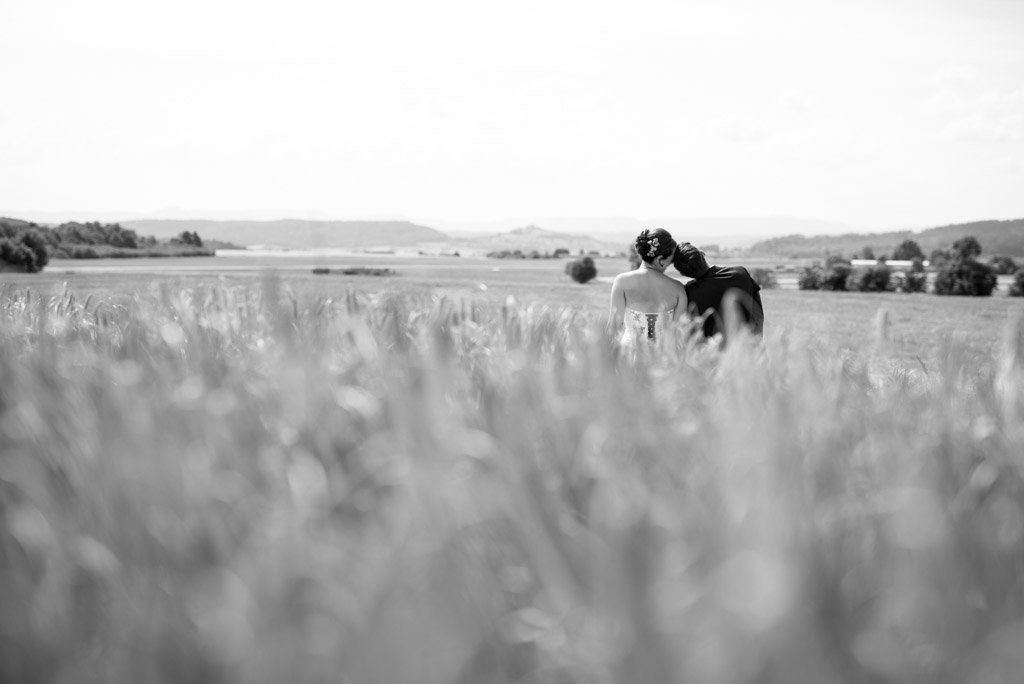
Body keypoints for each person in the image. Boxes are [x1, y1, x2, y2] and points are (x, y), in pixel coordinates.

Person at [609, 229, 688, 346]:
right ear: (660, 260)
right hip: (661, 358)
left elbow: (613, 328)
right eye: (670, 261)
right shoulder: (678, 289)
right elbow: (677, 335)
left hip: (628, 355)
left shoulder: (622, 281)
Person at [672, 242, 764, 340]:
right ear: (703, 254)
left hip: (712, 352)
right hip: (745, 348)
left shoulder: (688, 292)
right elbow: (757, 312)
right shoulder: (740, 273)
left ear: (683, 274)